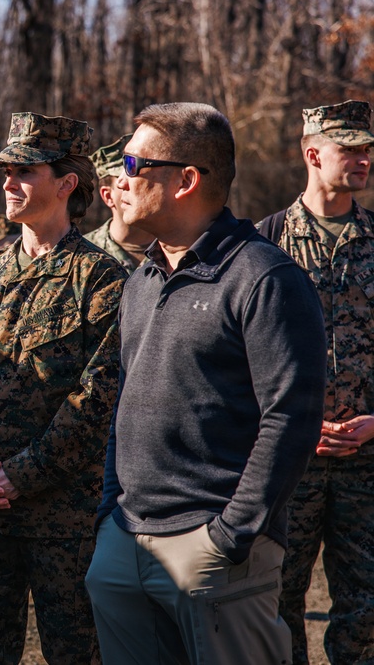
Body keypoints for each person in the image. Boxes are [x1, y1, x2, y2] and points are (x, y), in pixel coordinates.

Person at [84, 102, 328, 664]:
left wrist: (231, 535)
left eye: (133, 163)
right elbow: (125, 403)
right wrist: (110, 514)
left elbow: (291, 418)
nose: (120, 178)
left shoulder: (265, 277)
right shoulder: (143, 279)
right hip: (125, 540)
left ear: (186, 180)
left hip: (213, 551)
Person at [0, 112, 126, 664]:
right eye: (6, 173)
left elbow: (96, 403)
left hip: (65, 520)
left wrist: (20, 475)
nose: (9, 184)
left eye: (25, 172)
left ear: (66, 184)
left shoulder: (102, 281)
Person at [259, 99, 374, 665]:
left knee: (367, 609)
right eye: (348, 148)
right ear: (312, 155)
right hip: (288, 462)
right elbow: (240, 356)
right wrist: (292, 424)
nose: (362, 159)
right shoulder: (265, 244)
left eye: (367, 149)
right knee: (276, 603)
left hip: (366, 461)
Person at [84, 133, 155, 272]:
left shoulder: (179, 249)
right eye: (127, 180)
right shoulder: (84, 253)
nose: (138, 185)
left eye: (143, 177)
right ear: (108, 196)